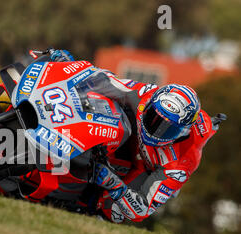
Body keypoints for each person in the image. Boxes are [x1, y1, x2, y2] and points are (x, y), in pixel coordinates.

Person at [50, 49, 225, 223]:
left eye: (167, 129)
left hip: (148, 168)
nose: (155, 130)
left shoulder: (182, 163)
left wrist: (113, 183)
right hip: (129, 140)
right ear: (150, 104)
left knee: (114, 210)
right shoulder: (144, 94)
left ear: (183, 132)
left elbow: (140, 210)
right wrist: (70, 67)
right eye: (153, 118)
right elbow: (105, 80)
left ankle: (88, 216)